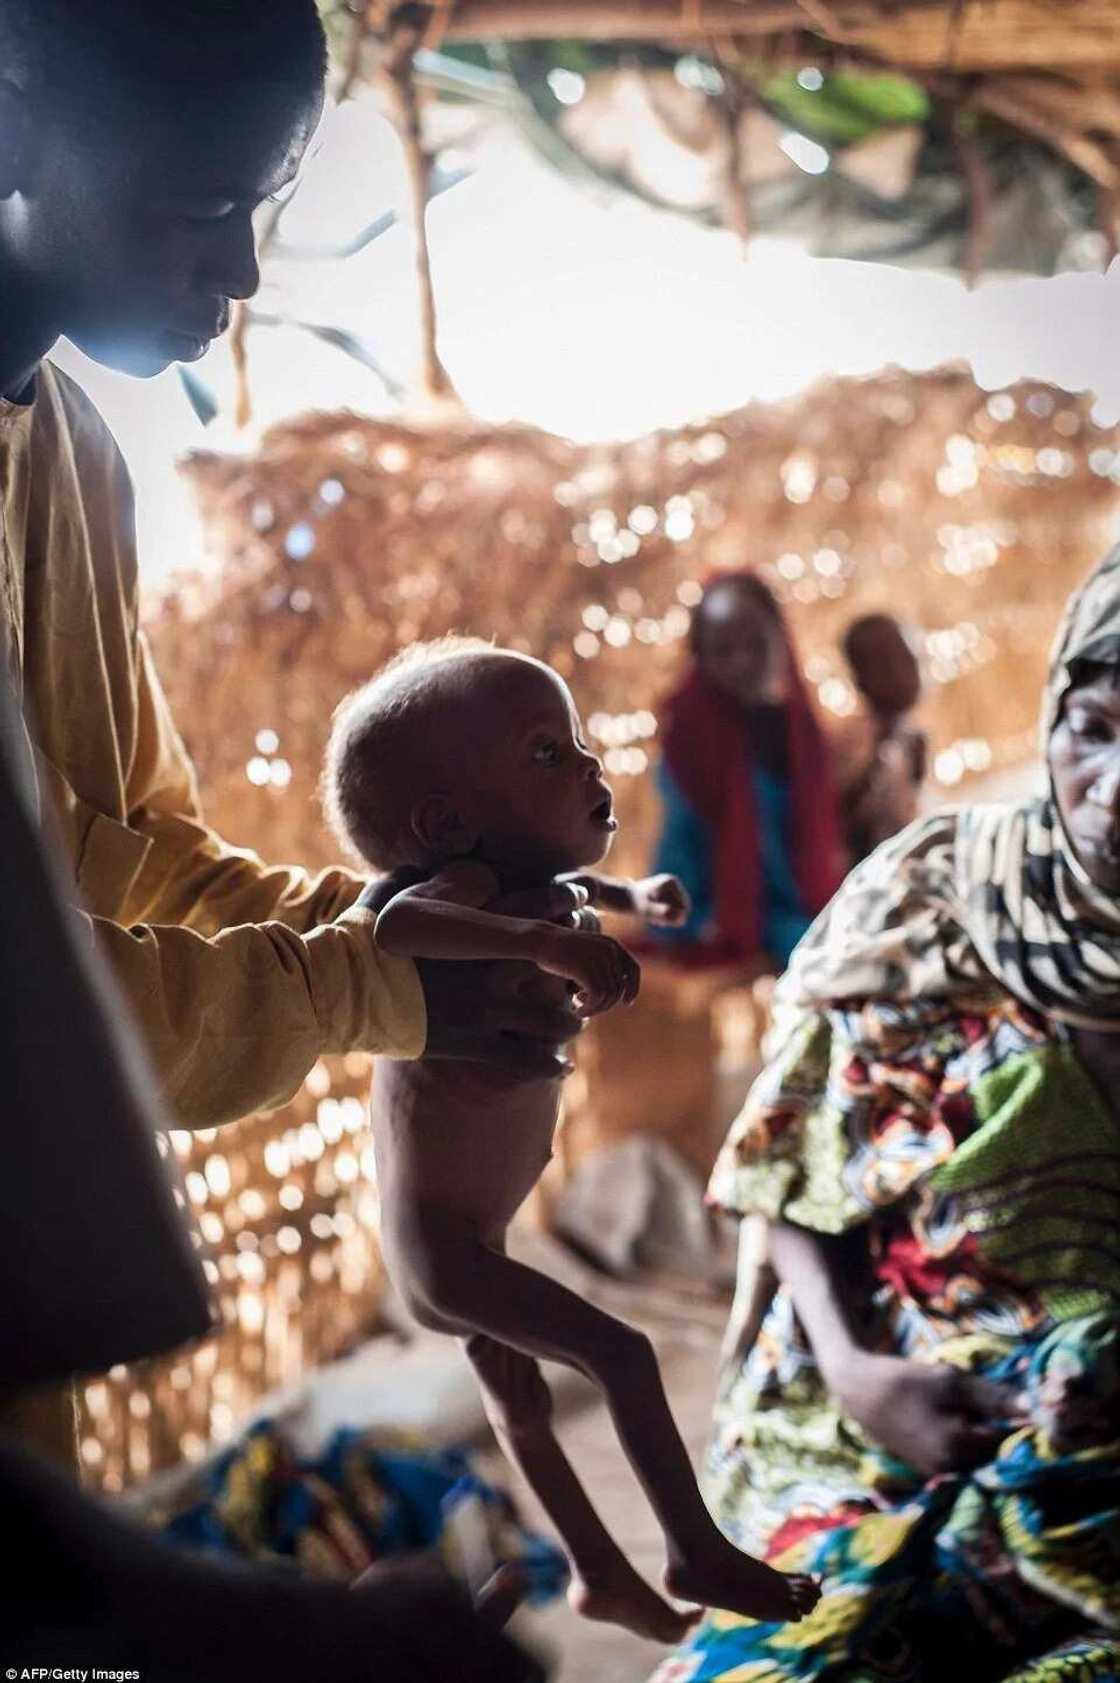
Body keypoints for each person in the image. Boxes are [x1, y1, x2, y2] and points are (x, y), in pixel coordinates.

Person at [0, 0, 584, 1469]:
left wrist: (408, 925)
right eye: (206, 203)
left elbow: (130, 856)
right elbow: (24, 1023)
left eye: (262, 204)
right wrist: (361, 986)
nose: (246, 267)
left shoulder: (68, 457)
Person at [0, 667, 543, 1682]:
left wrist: (376, 918)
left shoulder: (75, 500)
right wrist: (361, 972)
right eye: (549, 753)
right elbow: (35, 995)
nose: (585, 772)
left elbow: (135, 849)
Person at [660, 550, 1120, 1682]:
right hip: (876, 1409)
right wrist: (861, 1374)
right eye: (1095, 726)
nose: (1113, 787)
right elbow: (789, 1169)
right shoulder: (931, 911)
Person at [324, 638, 821, 1643]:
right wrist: (539, 944)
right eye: (548, 753)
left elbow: (588, 897)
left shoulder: (543, 891)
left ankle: (600, 1574)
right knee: (620, 1355)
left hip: (483, 1219)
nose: (590, 766)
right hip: (444, 1247)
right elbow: (390, 933)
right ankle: (691, 1547)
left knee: (517, 1404)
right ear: (444, 824)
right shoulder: (454, 900)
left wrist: (643, 903)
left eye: (580, 741)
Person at [652, 572, 845, 973]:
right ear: (701, 657)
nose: (742, 661)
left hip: (795, 909)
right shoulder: (690, 738)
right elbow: (682, 866)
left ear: (780, 637)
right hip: (714, 914)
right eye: (723, 650)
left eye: (755, 645)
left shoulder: (799, 729)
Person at [834, 611, 927, 862]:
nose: (906, 673)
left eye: (909, 658)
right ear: (860, 682)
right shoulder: (858, 746)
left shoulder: (911, 738)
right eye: (888, 666)